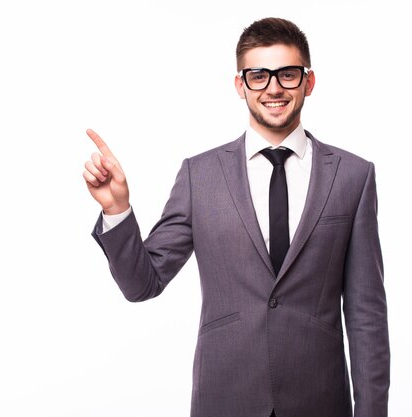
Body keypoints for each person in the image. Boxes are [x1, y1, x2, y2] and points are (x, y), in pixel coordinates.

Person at [83, 17, 389, 417]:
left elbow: (367, 314)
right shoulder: (200, 175)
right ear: (240, 85)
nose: (274, 88)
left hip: (319, 400)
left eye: (288, 74)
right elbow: (143, 283)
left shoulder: (353, 175)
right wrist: (116, 209)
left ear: (309, 82)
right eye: (259, 75)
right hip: (225, 398)